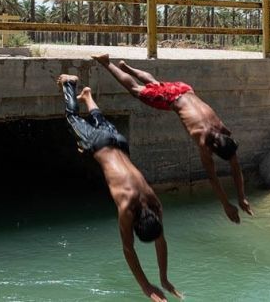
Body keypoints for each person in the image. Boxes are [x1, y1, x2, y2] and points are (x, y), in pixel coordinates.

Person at [57, 74, 182, 302]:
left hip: (119, 142)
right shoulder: (127, 208)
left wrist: (163, 278)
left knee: (99, 120)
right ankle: (69, 83)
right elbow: (128, 249)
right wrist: (146, 287)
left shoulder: (154, 204)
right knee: (72, 117)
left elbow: (160, 239)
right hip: (99, 145)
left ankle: (87, 96)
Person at [92, 53, 253, 224]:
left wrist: (242, 197)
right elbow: (213, 178)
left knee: (155, 84)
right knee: (136, 90)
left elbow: (235, 165)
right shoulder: (203, 142)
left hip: (184, 89)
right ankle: (107, 62)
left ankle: (127, 68)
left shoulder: (222, 131)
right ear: (214, 149)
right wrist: (226, 204)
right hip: (172, 99)